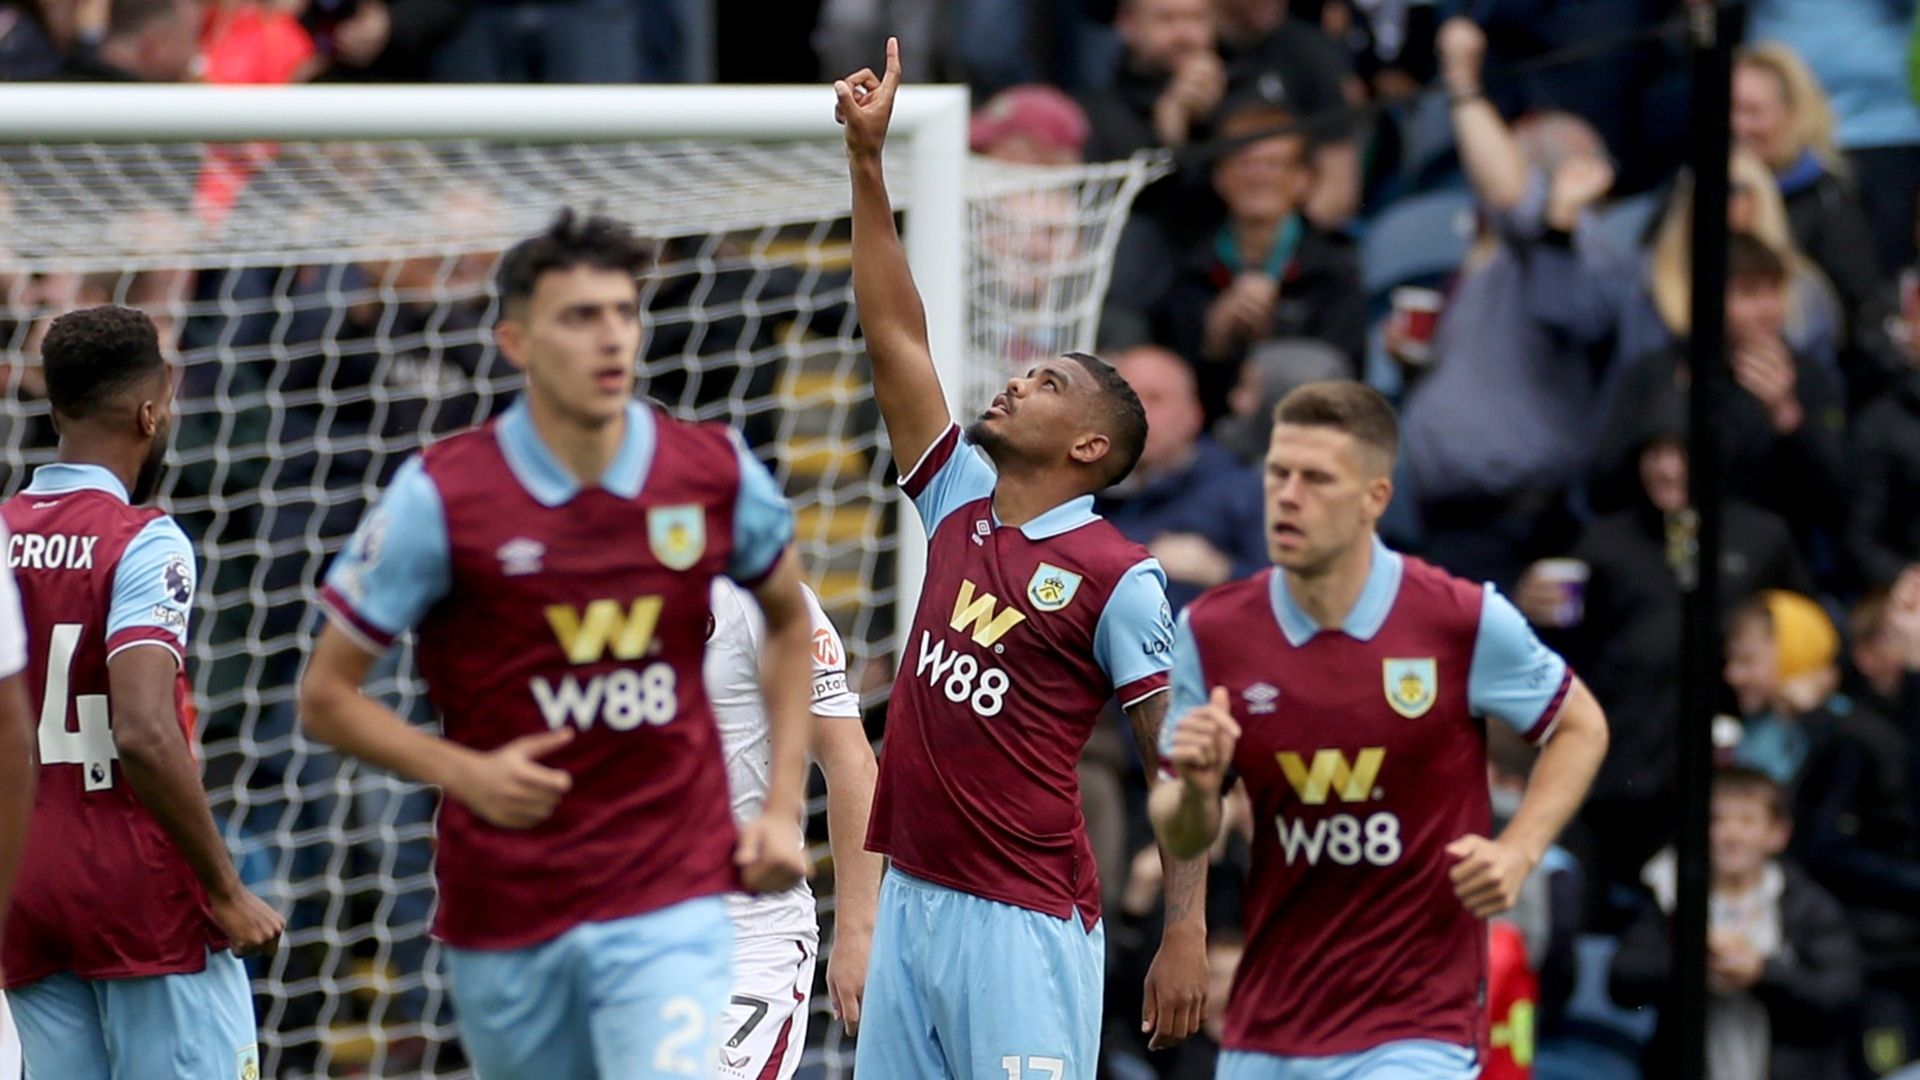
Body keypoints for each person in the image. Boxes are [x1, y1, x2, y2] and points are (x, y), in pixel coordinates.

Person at [298, 209, 815, 1079]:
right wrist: (465, 772)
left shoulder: (712, 470)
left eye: (623, 311)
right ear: (515, 342)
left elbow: (792, 620)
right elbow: (326, 697)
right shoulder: (442, 494)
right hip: (508, 902)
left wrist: (779, 811)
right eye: (580, 317)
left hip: (671, 890)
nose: (610, 337)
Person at [835, 40, 1208, 1079]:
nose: (1012, 383)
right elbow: (894, 338)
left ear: (1090, 447)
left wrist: (1184, 932)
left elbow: (1172, 766)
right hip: (912, 896)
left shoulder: (1118, 577)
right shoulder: (958, 496)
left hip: (1024, 923)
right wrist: (867, 166)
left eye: (1045, 384)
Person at [1151, 381, 1609, 1077]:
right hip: (1268, 1024)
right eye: (1278, 473)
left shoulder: (1460, 619)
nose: (1288, 495)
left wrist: (1518, 852)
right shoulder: (1213, 631)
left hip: (1417, 1024)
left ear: (1374, 498)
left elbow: (1581, 725)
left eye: (1317, 479)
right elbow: (1181, 824)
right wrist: (1197, 792)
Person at [2, 305, 284, 1078]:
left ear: (57, 408)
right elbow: (144, 730)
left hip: (25, 886)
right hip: (139, 889)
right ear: (152, 411)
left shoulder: (1, 531)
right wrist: (224, 889)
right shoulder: (143, 539)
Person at [703, 576, 884, 1077]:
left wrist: (857, 932)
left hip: (750, 936)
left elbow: (851, 762)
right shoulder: (572, 588)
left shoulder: (755, 594)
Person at [1610, 768, 1862, 1080]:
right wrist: (1695, 957)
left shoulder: (1806, 904)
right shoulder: (1667, 894)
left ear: (1778, 834)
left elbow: (1841, 994)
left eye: (1746, 821)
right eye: (1717, 820)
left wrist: (1762, 972)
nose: (1731, 834)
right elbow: (1623, 981)